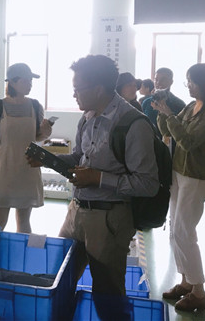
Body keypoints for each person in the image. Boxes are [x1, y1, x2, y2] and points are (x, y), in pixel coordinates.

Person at [42, 55, 158, 299]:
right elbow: (79, 157)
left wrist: (98, 179)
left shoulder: (133, 124)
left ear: (98, 89)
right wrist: (46, 159)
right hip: (76, 212)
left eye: (78, 89)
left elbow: (148, 184)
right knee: (58, 278)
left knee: (107, 292)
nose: (74, 95)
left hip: (109, 220)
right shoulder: (87, 117)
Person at [152, 63, 205, 312]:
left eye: (191, 81)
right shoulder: (191, 106)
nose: (189, 86)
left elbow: (188, 141)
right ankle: (185, 282)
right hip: (178, 172)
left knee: (184, 231)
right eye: (187, 81)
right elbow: (167, 132)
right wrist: (162, 113)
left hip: (195, 176)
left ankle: (199, 292)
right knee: (175, 230)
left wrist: (170, 116)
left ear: (204, 83)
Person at [0, 63, 52, 233]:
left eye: (31, 81)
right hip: (5, 171)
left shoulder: (35, 106)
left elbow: (36, 137)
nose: (30, 84)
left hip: (27, 170)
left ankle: (22, 250)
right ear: (12, 82)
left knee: (24, 223)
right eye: (26, 80)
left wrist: (46, 133)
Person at [142, 67, 186, 138]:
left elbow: (181, 130)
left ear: (171, 82)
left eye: (163, 80)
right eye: (156, 80)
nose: (158, 83)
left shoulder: (178, 104)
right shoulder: (147, 102)